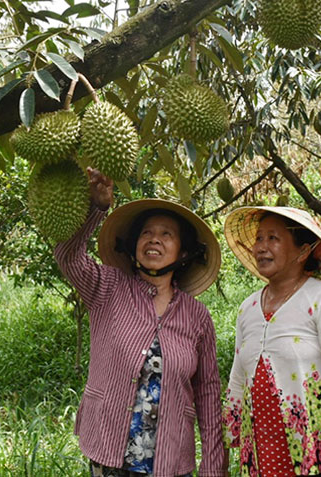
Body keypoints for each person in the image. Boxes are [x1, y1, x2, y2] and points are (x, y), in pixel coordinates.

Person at [53, 167, 227, 477]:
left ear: (182, 252)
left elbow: (209, 396)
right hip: (109, 455)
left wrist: (213, 469)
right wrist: (97, 207)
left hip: (170, 463)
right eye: (146, 233)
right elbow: (69, 257)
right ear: (134, 245)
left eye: (166, 234)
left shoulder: (197, 317)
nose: (154, 240)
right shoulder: (107, 287)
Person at [221, 207, 321, 477]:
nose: (261, 247)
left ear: (303, 251)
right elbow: (237, 381)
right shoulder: (247, 308)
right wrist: (225, 449)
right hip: (260, 453)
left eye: (273, 238)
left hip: (312, 457)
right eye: (259, 239)